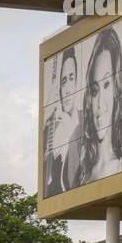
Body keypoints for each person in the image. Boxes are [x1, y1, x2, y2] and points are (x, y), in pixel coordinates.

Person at [69, 27, 122, 188]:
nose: (99, 104)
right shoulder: (81, 176)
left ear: (117, 89)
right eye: (94, 90)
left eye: (106, 85)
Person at [42, 47, 80, 196]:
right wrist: (46, 114)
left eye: (71, 78)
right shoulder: (53, 128)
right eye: (64, 81)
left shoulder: (87, 121)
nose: (68, 89)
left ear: (77, 82)